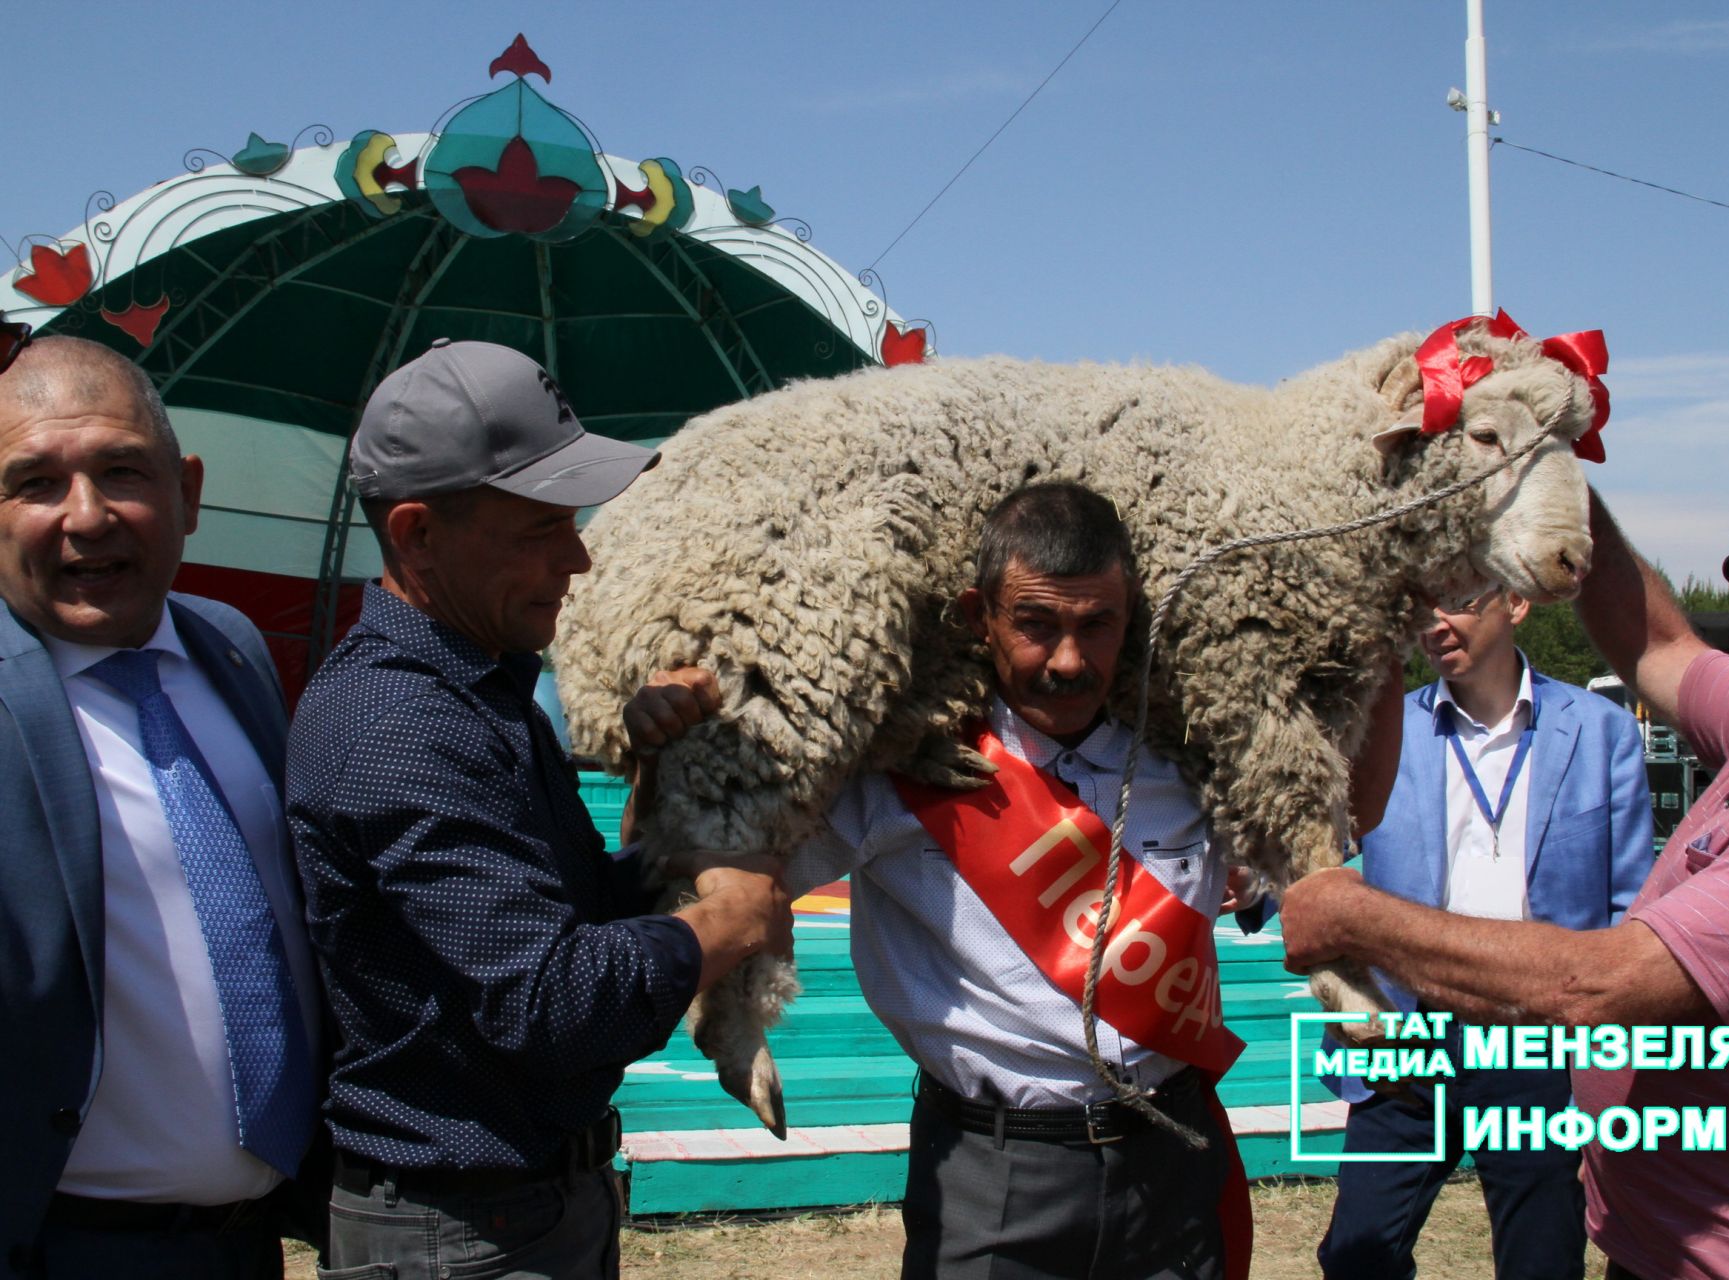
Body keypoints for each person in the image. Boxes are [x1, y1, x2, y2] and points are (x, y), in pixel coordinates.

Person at [632, 481, 1401, 1280]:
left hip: (1171, 1161)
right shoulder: (896, 767)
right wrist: (668, 750)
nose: (1068, 661)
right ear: (977, 617)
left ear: (1130, 617)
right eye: (1035, 625)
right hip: (990, 1177)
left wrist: (1384, 634)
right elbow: (685, 866)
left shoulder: (1192, 763)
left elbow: (1351, 816)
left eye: (1095, 625)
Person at [1281, 498, 1729, 1280]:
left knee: (1539, 1244)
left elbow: (1599, 984)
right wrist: (1550, 479)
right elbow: (1656, 639)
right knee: (1361, 1245)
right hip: (1651, 1228)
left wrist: (1352, 919)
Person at [284, 340, 791, 1279]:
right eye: (538, 530)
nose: (580, 556)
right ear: (418, 534)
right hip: (460, 1235)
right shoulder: (400, 725)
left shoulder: (476, 693)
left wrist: (665, 772)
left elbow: (574, 909)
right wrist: (727, 920)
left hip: (524, 1211)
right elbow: (552, 1001)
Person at [0, 335, 326, 1279]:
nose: (87, 517)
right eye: (36, 483)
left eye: (120, 471)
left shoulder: (231, 649)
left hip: (251, 1245)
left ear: (187, 492)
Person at [1317, 585, 1653, 1280]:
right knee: (1357, 1254)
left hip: (1536, 1033)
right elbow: (1312, 856)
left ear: (1518, 603)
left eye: (1460, 599)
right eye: (1424, 603)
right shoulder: (1379, 732)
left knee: (1541, 1259)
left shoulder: (1600, 731)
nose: (1436, 622)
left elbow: (1628, 906)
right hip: (1403, 1032)